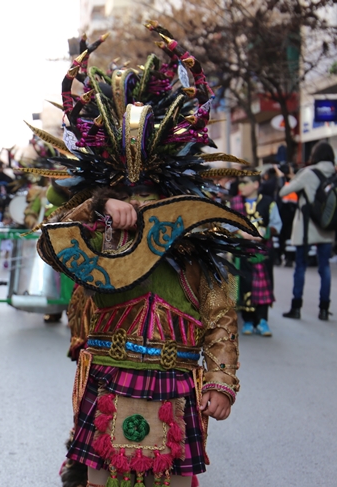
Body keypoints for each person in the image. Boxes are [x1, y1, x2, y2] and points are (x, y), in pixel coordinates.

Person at [34, 25, 258, 487]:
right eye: (130, 191)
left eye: (151, 191)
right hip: (110, 369)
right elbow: (50, 245)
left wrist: (220, 381)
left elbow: (220, 311)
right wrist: (98, 205)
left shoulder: (198, 230)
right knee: (98, 480)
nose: (140, 201)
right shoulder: (100, 223)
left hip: (176, 375)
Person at [279, 141, 336, 320]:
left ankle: (296, 308)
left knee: (301, 267)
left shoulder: (308, 173)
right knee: (324, 267)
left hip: (306, 227)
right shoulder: (334, 174)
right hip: (327, 227)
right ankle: (324, 309)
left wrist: (291, 177)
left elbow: (284, 192)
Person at [231, 174, 282, 336]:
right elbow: (227, 223)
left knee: (264, 287)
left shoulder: (269, 202)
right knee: (244, 284)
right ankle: (247, 321)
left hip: (263, 253)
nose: (241, 187)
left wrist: (264, 233)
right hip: (242, 252)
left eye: (245, 183)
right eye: (240, 183)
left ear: (256, 184)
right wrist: (240, 232)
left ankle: (262, 320)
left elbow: (276, 225)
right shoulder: (234, 203)